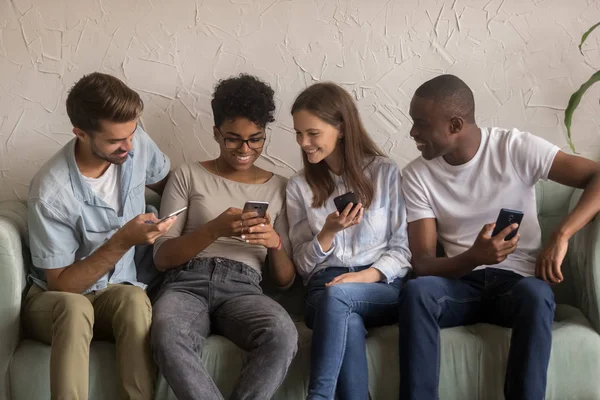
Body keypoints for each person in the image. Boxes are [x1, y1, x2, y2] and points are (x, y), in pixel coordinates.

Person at [398, 74, 600, 400]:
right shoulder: (417, 175)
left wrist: (561, 235)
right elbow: (422, 263)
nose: (413, 133)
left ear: (455, 125)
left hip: (517, 286)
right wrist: (473, 257)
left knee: (537, 295)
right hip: (460, 285)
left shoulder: (514, 148)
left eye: (420, 124)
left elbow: (597, 175)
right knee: (418, 291)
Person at [24, 72, 174, 400]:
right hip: (56, 300)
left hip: (116, 291)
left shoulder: (136, 144)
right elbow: (62, 284)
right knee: (76, 309)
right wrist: (122, 240)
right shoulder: (51, 191)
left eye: (132, 134)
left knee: (135, 301)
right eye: (115, 141)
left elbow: (170, 184)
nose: (129, 146)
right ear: (80, 133)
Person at [150, 74, 298, 400]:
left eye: (255, 139)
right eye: (232, 139)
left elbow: (285, 281)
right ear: (216, 133)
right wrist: (212, 230)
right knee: (166, 333)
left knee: (283, 333)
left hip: (244, 288)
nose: (245, 150)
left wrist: (273, 242)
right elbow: (161, 258)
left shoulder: (280, 187)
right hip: (185, 282)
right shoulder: (187, 175)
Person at [286, 82, 412, 400]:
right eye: (299, 134)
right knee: (346, 319)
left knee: (340, 298)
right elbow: (301, 267)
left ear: (341, 128)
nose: (304, 143)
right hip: (323, 290)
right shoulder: (298, 187)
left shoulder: (385, 173)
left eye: (312, 133)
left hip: (380, 287)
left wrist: (365, 276)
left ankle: (320, 396)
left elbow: (402, 250)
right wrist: (327, 233)